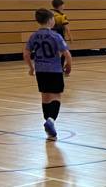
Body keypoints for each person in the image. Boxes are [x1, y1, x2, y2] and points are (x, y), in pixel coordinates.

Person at [24, 8, 73, 140]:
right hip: (54, 70)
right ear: (51, 20)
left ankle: (49, 128)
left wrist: (31, 68)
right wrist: (68, 66)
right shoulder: (56, 36)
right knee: (56, 96)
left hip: (40, 70)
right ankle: (51, 120)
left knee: (45, 97)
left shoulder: (33, 36)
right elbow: (67, 54)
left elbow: (26, 54)